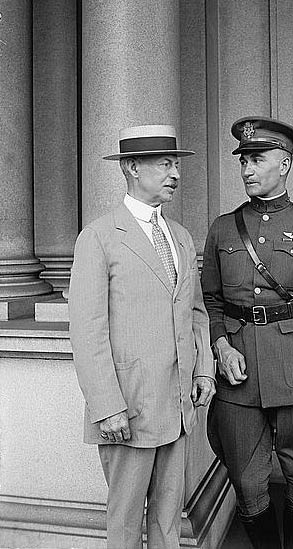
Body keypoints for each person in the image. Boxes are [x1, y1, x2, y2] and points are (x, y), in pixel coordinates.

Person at [201, 116, 293, 549]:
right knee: (247, 482)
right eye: (243, 160)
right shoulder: (223, 229)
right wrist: (221, 343)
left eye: (257, 159)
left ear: (284, 164)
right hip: (238, 378)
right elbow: (209, 302)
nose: (246, 168)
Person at [69, 125, 215, 549]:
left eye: (176, 165)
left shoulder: (182, 237)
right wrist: (107, 406)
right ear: (133, 168)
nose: (175, 174)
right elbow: (87, 330)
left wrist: (203, 370)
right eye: (166, 164)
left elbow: (196, 313)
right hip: (127, 409)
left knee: (170, 522)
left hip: (177, 405)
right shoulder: (97, 237)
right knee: (126, 524)